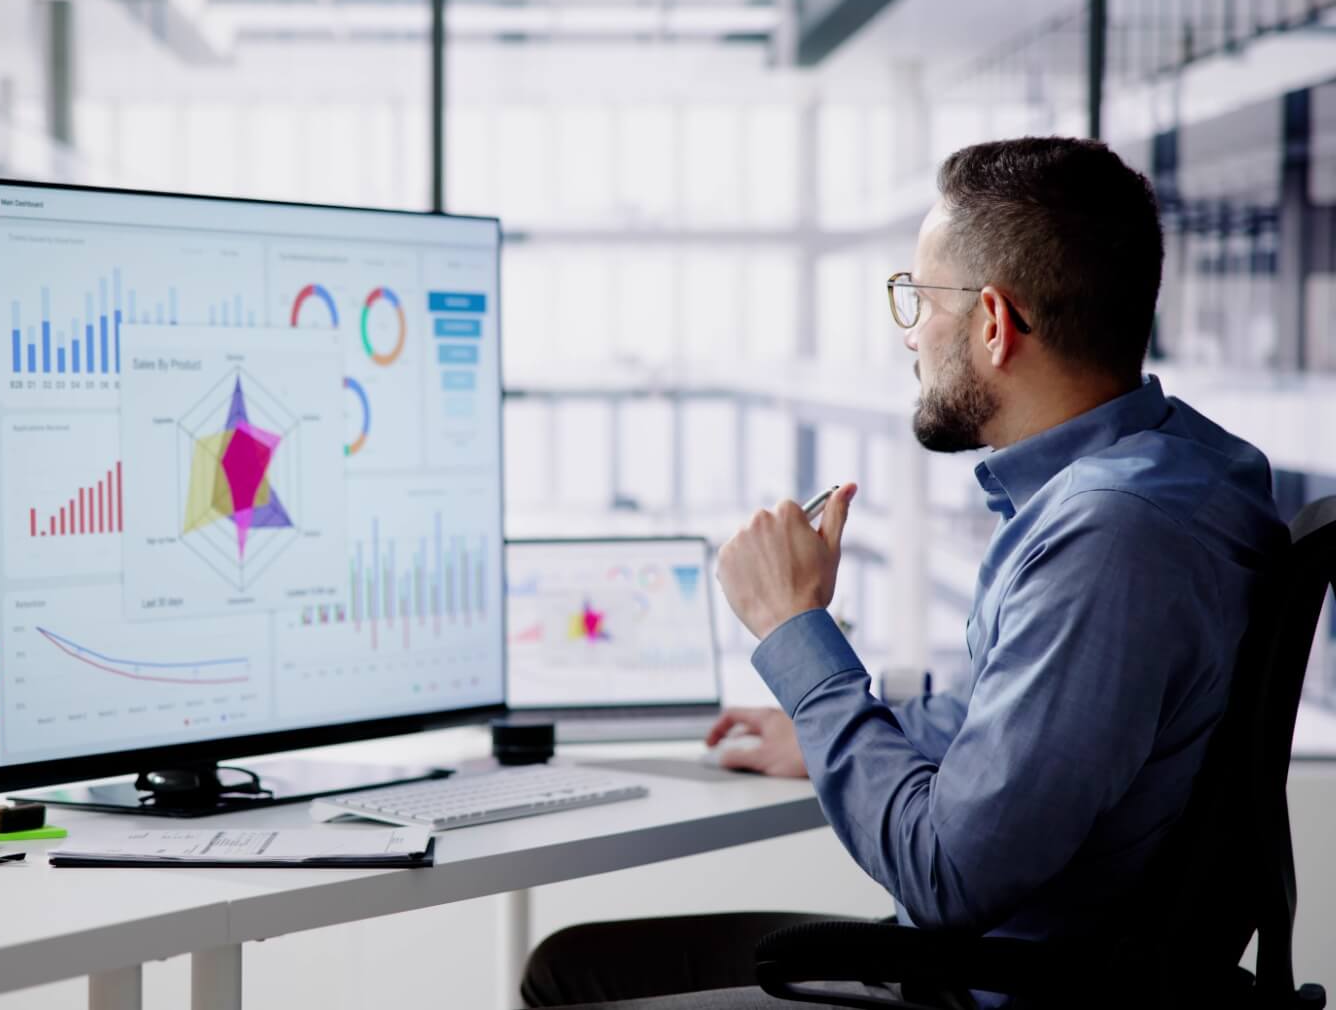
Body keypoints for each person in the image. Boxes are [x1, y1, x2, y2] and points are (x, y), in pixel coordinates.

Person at [520, 136, 1287, 1010]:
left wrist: (798, 641)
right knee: (573, 965)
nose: (911, 334)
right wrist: (837, 729)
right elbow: (1014, 725)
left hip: (994, 990)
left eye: (919, 299)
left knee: (569, 984)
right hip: (1041, 965)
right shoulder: (1185, 472)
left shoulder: (1109, 538)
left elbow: (947, 875)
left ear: (994, 324)